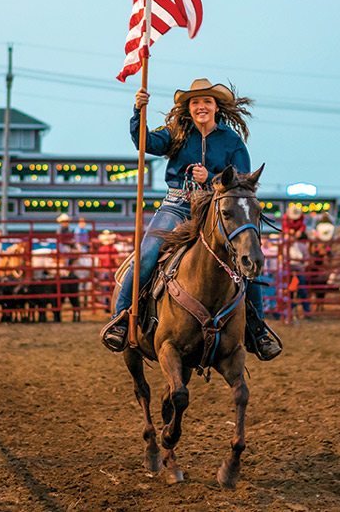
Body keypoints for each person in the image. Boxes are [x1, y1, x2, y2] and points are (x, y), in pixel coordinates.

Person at [101, 78, 282, 361]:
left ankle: (257, 330)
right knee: (147, 254)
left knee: (246, 261)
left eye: (206, 102)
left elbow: (243, 183)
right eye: (195, 102)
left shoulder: (232, 142)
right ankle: (121, 319)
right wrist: (138, 113)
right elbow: (145, 142)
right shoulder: (177, 132)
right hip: (177, 206)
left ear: (216, 107)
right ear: (189, 108)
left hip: (215, 212)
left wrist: (210, 179)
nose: (201, 107)